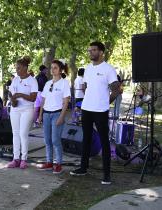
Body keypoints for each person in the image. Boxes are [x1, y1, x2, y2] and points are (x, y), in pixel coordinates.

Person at [70, 42, 120, 185]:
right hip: (86, 109)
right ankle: (83, 168)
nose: (90, 52)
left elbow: (116, 90)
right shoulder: (87, 68)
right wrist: (88, 98)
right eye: (89, 50)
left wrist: (105, 102)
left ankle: (107, 175)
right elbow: (86, 87)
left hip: (100, 111)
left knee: (105, 142)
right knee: (86, 139)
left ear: (101, 52)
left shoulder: (109, 69)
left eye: (93, 50)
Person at [37, 60, 70, 174]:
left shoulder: (64, 83)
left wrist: (62, 117)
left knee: (55, 140)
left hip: (57, 113)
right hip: (46, 114)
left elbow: (66, 102)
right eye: (51, 67)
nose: (52, 70)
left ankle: (59, 164)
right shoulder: (47, 83)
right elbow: (43, 100)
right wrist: (40, 115)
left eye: (55, 68)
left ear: (60, 70)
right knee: (47, 140)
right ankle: (49, 162)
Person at [7, 56, 38, 169]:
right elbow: (10, 94)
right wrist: (12, 100)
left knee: (23, 133)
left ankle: (24, 159)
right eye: (16, 68)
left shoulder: (32, 80)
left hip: (27, 109)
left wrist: (20, 95)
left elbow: (33, 98)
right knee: (15, 133)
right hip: (15, 109)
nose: (17, 70)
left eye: (19, 68)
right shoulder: (15, 79)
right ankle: (15, 158)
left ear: (25, 68)